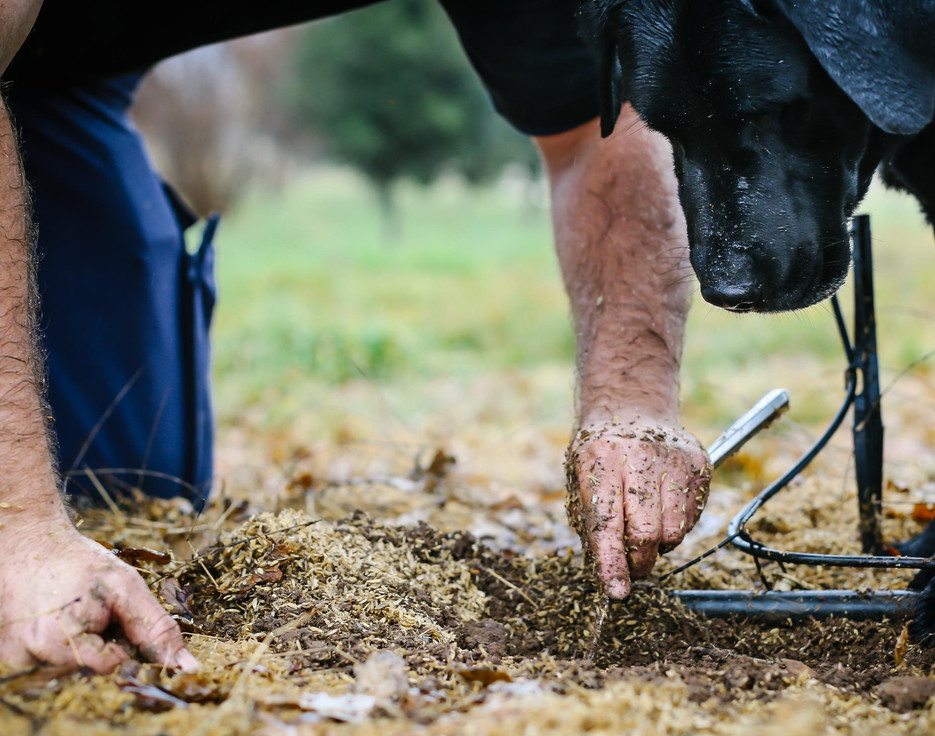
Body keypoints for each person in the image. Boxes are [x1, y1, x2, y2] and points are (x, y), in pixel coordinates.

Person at [0, 1, 710, 673]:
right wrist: (18, 527)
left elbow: (595, 125)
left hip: (67, 81)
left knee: (122, 483)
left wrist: (634, 402)